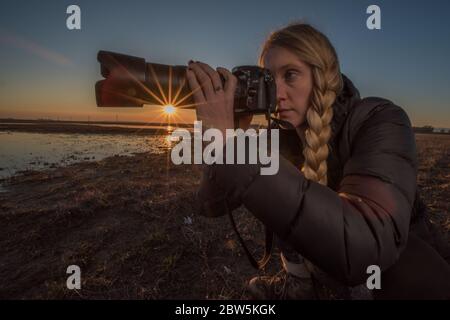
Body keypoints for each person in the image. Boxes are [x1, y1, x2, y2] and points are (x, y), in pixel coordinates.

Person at [186, 22, 450, 300]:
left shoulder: (380, 119)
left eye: (290, 75)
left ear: (323, 76)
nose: (279, 93)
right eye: (269, 79)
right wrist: (225, 140)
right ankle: (300, 285)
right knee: (280, 191)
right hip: (339, 271)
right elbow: (211, 204)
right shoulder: (280, 136)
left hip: (405, 273)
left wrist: (236, 151)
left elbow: (366, 244)